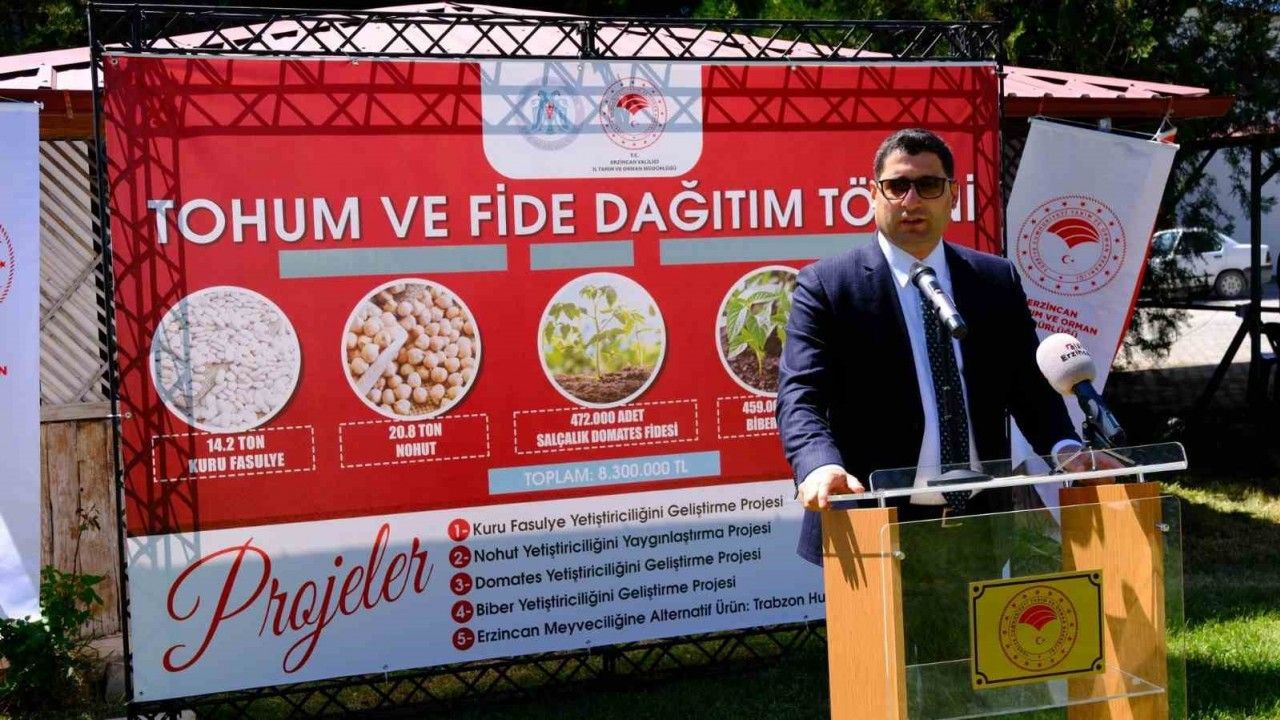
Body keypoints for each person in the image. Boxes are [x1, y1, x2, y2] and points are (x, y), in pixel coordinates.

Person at [776, 128, 1087, 566]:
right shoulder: (829, 286)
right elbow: (801, 396)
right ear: (873, 194)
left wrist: (1066, 450)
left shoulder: (994, 280)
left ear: (953, 195)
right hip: (875, 523)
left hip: (980, 523)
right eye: (896, 186)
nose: (912, 200)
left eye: (928, 185)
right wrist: (818, 465)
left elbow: (1028, 387)